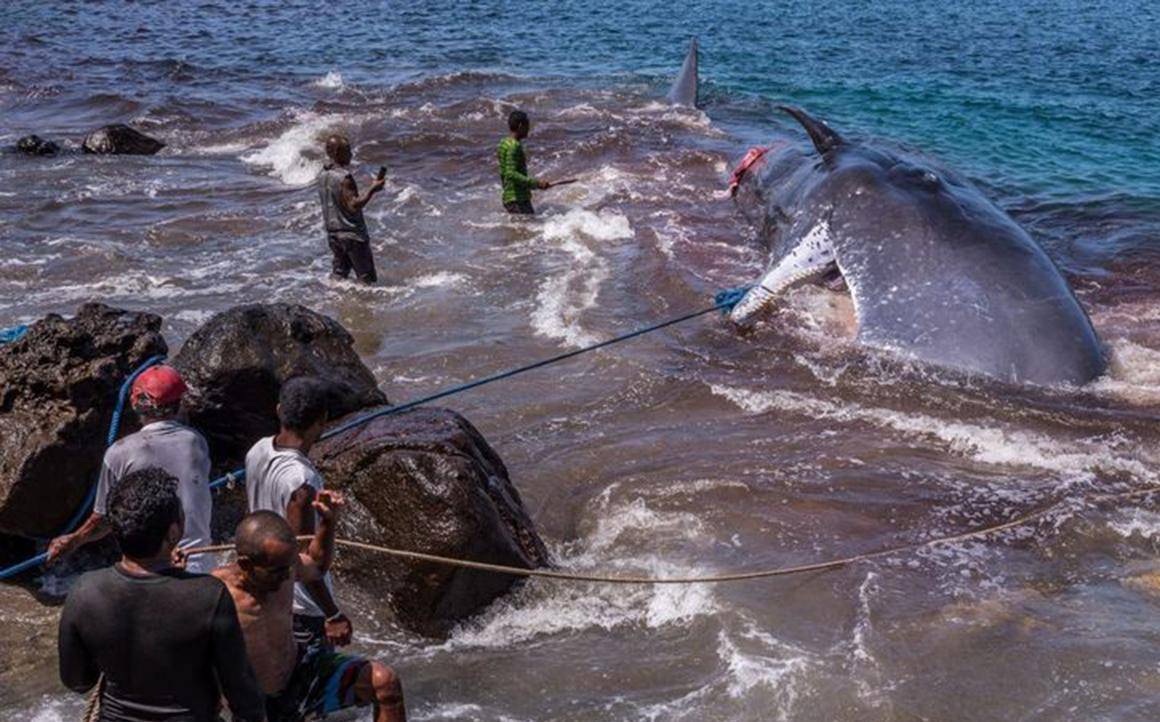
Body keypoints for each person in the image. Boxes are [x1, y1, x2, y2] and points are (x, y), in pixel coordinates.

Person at [58, 467, 265, 722]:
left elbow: (77, 681)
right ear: (173, 533)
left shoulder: (85, 591)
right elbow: (242, 693)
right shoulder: (209, 595)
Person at [214, 500, 406, 722]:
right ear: (246, 565)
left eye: (290, 568)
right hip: (251, 700)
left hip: (299, 674)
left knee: (384, 682)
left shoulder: (284, 566)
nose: (288, 577)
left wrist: (327, 522)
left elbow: (317, 565)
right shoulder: (215, 591)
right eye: (277, 572)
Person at [47, 364, 216, 574]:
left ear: (135, 404)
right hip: (200, 563)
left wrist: (73, 540)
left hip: (149, 570)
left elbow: (104, 520)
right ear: (178, 404)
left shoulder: (120, 453)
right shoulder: (197, 442)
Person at [245, 376, 352, 649]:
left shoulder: (257, 450)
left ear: (280, 410)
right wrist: (332, 613)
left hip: (267, 590)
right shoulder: (301, 482)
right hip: (301, 609)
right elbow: (302, 560)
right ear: (322, 421)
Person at [319, 134, 384, 284]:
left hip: (333, 235)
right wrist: (373, 189)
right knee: (367, 279)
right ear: (336, 153)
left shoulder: (322, 175)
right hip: (352, 235)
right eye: (347, 151)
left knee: (339, 276)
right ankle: (366, 306)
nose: (351, 154)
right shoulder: (344, 177)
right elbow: (353, 205)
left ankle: (334, 301)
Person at [497, 110, 552, 215]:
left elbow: (504, 172)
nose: (528, 129)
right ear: (521, 126)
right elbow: (510, 173)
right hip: (518, 199)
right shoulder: (514, 146)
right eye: (527, 126)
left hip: (510, 197)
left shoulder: (503, 143)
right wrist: (536, 184)